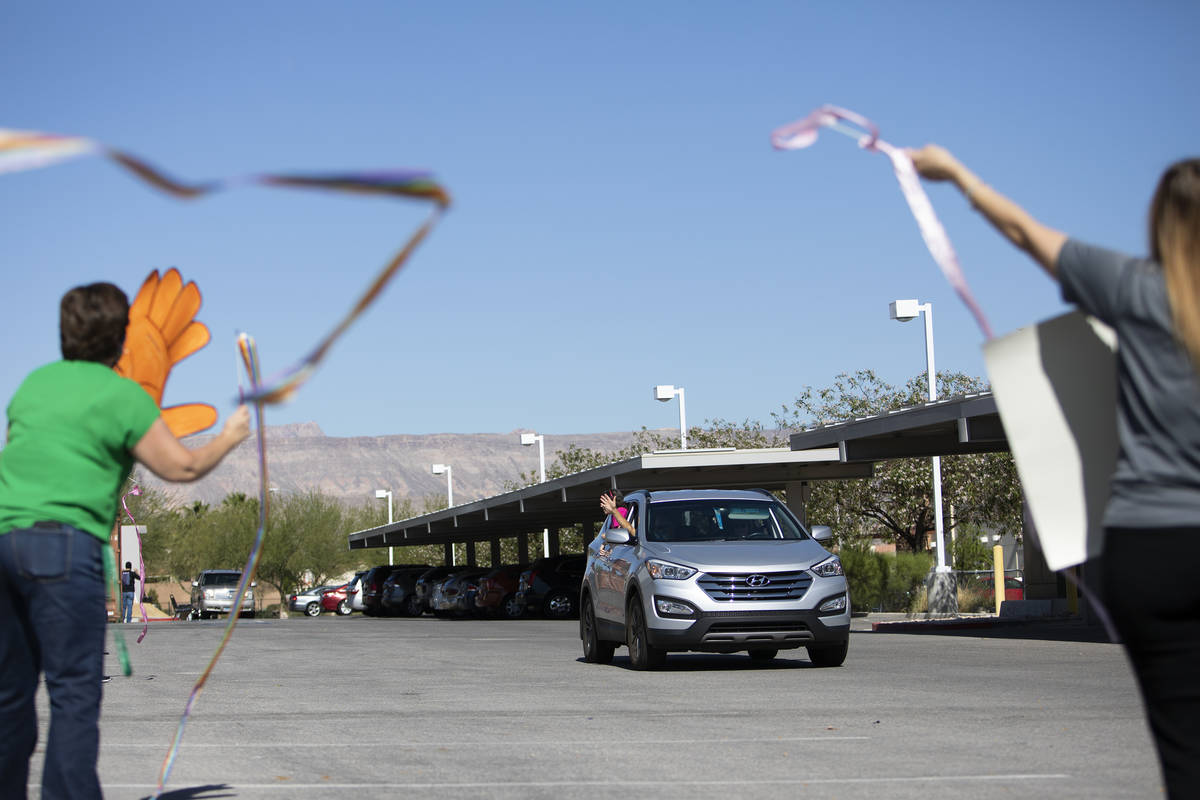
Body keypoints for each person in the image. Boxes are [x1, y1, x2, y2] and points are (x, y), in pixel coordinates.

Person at [910, 147, 1200, 799]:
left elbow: (1024, 233)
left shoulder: (1135, 287)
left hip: (1148, 549)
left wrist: (959, 176)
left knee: (1183, 739)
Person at [0, 281, 251, 800]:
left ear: (64, 335)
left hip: (4, 544)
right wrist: (229, 436)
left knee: (8, 696)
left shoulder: (32, 386)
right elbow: (179, 465)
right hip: (64, 551)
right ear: (120, 341)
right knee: (72, 695)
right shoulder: (121, 395)